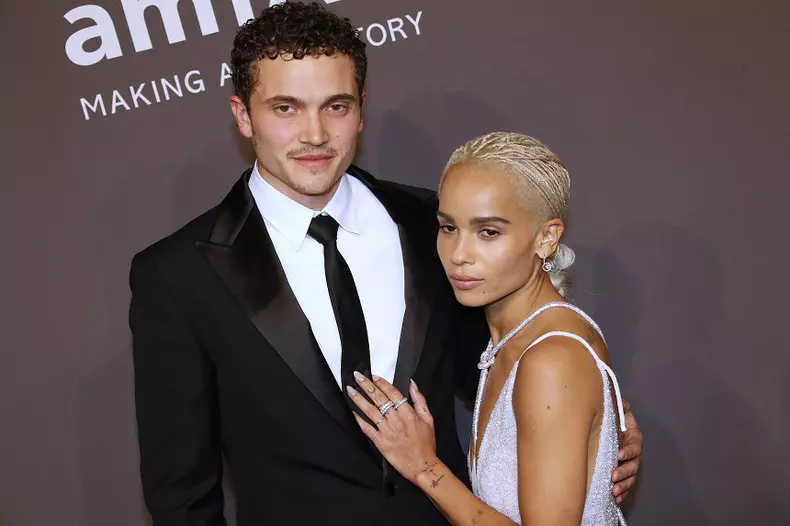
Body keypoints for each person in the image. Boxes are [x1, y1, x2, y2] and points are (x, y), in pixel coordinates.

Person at [128, 3, 642, 525]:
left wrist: (592, 425)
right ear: (243, 114)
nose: (314, 134)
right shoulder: (177, 276)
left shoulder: (434, 227)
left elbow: (499, 366)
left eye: (336, 106)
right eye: (286, 108)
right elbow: (182, 496)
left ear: (361, 108)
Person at [347, 132, 631, 525]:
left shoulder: (551, 360)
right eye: (448, 228)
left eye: (488, 232)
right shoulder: (516, 339)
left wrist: (425, 466)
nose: (459, 255)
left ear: (547, 238)